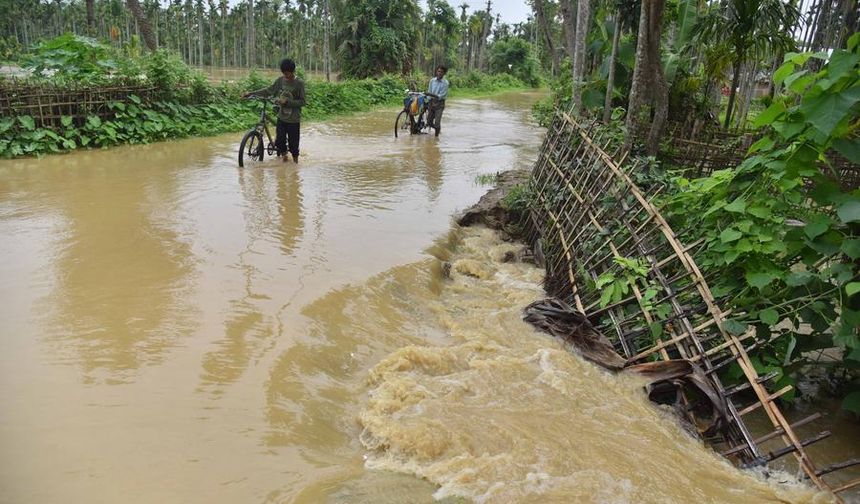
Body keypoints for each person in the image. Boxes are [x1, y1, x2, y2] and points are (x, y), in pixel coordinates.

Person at [243, 58, 305, 163]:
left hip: (293, 119)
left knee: (294, 146)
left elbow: (303, 101)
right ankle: (285, 156)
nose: (286, 75)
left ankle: (295, 166)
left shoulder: (299, 83)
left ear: (293, 71)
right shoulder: (280, 80)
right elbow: (269, 90)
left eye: (288, 73)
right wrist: (251, 93)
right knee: (279, 142)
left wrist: (287, 102)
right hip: (282, 116)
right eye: (284, 73)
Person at [426, 65, 449, 137]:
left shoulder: (445, 83)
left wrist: (431, 95)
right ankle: (437, 129)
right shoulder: (432, 81)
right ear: (436, 72)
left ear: (444, 73)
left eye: (441, 72)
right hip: (431, 102)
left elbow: (441, 95)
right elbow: (429, 91)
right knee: (429, 122)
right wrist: (428, 98)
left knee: (437, 122)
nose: (439, 73)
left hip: (439, 104)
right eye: (438, 71)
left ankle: (436, 137)